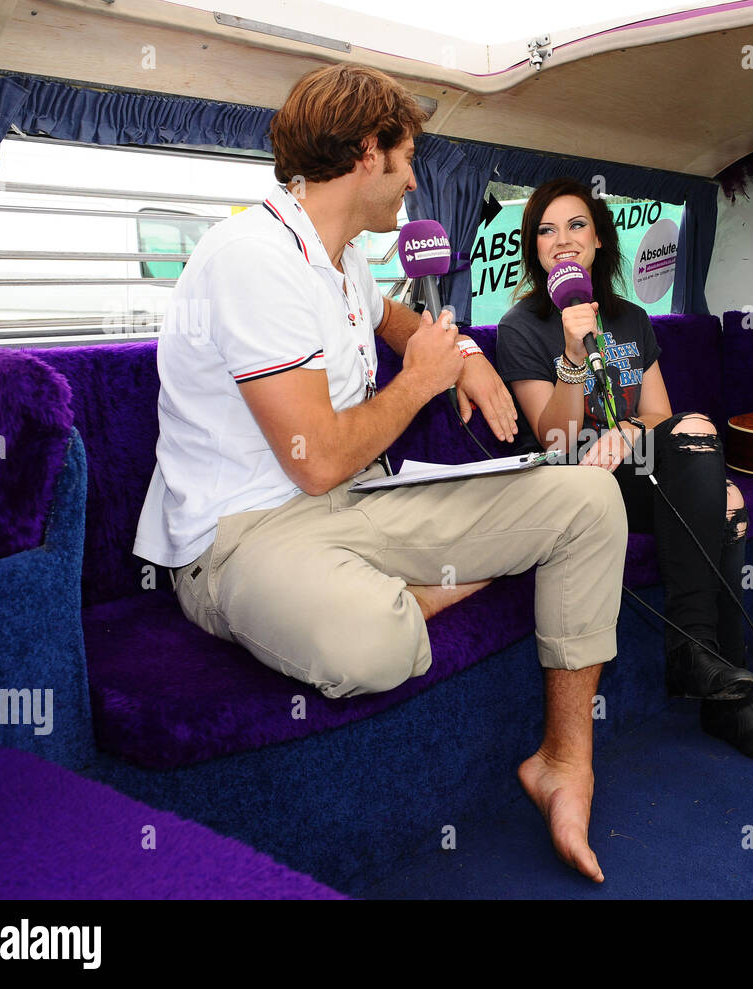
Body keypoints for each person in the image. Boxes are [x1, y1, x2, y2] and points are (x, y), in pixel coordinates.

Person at [132, 66, 627, 883]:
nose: (411, 181)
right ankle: (395, 587)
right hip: (239, 537)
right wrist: (422, 380)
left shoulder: (342, 259)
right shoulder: (252, 257)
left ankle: (564, 763)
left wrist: (465, 357)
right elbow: (317, 458)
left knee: (587, 499)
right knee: (369, 643)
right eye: (405, 159)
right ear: (367, 152)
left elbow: (398, 321)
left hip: (354, 503)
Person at [495, 178, 753, 764]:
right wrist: (570, 353)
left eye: (576, 225)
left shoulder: (633, 319)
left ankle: (715, 684)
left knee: (724, 493)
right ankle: (705, 666)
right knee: (700, 453)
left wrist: (627, 431)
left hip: (634, 465)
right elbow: (556, 437)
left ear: (599, 239)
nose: (561, 240)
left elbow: (658, 412)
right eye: (546, 230)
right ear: (534, 248)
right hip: (574, 481)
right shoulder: (521, 327)